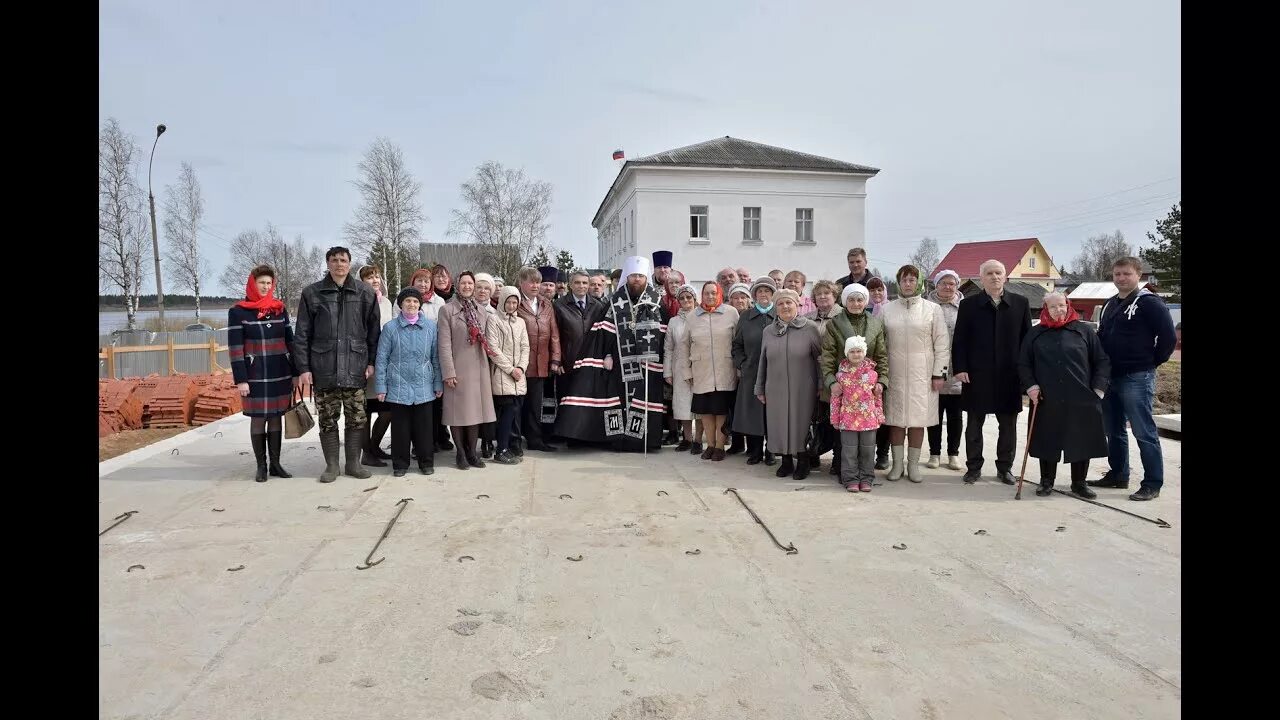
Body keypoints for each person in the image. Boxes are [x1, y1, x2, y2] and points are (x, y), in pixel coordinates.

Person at [553, 256, 666, 452]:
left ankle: (643, 440)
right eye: (632, 276)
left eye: (640, 276)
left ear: (646, 278)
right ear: (626, 278)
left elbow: (664, 333)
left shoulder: (656, 303)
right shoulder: (615, 302)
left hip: (647, 364)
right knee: (618, 401)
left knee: (643, 400)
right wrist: (606, 355)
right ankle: (619, 439)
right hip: (619, 364)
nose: (636, 280)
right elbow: (602, 332)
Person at [1087, 256, 1177, 501]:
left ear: (1139, 275)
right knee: (1113, 430)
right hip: (1109, 378)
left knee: (1143, 431)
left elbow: (1168, 339)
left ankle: (1152, 483)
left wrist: (1150, 363)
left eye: (1126, 274)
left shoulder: (1150, 303)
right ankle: (1118, 475)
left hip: (1137, 377)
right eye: (1117, 274)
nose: (1121, 278)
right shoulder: (1109, 304)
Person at [293, 246, 382, 483]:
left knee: (357, 418)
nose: (339, 264)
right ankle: (332, 465)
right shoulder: (312, 293)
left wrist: (372, 361)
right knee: (328, 418)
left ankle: (353, 463)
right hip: (324, 367)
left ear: (350, 263)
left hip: (355, 365)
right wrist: (303, 368)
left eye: (343, 260)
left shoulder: (364, 292)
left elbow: (374, 332)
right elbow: (301, 333)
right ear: (328, 263)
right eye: (334, 260)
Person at [1019, 293, 1110, 498]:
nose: (1058, 310)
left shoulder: (1084, 331)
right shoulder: (1035, 333)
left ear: (1068, 306)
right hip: (1046, 397)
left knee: (1081, 439)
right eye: (1053, 307)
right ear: (1045, 309)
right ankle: (1046, 481)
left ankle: (1079, 483)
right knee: (1047, 439)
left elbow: (1102, 361)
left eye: (1062, 305)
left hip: (1081, 396)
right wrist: (1031, 386)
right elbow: (1024, 364)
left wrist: (1098, 389)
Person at [952, 259, 1032, 485]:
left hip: (1009, 375)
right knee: (974, 424)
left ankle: (1005, 468)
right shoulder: (969, 305)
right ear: (981, 278)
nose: (995, 277)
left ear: (1005, 276)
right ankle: (973, 468)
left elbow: (1028, 341)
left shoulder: (1020, 303)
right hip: (977, 374)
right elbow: (960, 340)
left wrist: (1026, 374)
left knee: (1008, 425)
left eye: (998, 273)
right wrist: (960, 368)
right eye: (989, 273)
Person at [229, 264, 299, 482]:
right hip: (255, 374)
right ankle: (261, 466)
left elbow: (290, 341)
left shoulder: (279, 308)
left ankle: (276, 464)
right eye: (261, 283)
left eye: (269, 283)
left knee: (277, 416)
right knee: (259, 419)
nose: (265, 287)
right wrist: (241, 379)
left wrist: (295, 372)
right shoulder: (238, 311)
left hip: (280, 372)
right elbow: (235, 348)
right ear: (252, 283)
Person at [880, 265, 949, 483]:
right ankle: (897, 464)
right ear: (898, 283)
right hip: (895, 371)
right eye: (904, 280)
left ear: (918, 282)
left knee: (919, 419)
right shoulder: (887, 310)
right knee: (896, 419)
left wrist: (939, 374)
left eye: (912, 279)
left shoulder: (932, 309)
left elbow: (942, 343)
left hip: (923, 373)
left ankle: (913, 465)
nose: (908, 283)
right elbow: (879, 343)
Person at [819, 283, 888, 480]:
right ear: (845, 301)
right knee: (845, 435)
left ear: (865, 301)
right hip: (844, 387)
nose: (856, 303)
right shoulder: (834, 324)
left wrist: (882, 380)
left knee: (867, 436)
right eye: (851, 299)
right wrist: (832, 382)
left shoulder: (875, 324)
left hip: (868, 388)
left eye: (859, 300)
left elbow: (882, 355)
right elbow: (828, 357)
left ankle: (866, 474)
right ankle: (846, 473)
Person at [373, 287, 442, 477]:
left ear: (420, 305)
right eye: (407, 301)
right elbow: (381, 359)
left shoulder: (430, 327)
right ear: (401, 304)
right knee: (400, 429)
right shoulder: (390, 328)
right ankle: (400, 464)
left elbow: (435, 358)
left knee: (424, 429)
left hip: (424, 385)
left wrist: (438, 384)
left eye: (415, 301)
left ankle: (426, 462)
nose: (411, 304)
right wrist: (381, 386)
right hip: (398, 386)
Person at [755, 289, 822, 479]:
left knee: (800, 424)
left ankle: (803, 461)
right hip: (774, 387)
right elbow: (763, 361)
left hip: (803, 387)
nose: (785, 306)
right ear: (775, 307)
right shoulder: (768, 331)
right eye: (781, 304)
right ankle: (785, 461)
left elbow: (820, 359)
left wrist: (820, 385)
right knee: (778, 424)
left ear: (797, 305)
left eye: (789, 303)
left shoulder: (809, 328)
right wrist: (759, 387)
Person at [437, 271, 498, 470]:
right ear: (457, 285)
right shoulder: (447, 310)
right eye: (463, 283)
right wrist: (449, 372)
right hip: (458, 368)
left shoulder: (481, 310)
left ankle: (472, 451)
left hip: (478, 368)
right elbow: (444, 344)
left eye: (470, 283)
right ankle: (460, 453)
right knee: (457, 414)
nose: (467, 287)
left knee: (475, 413)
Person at [686, 281, 739, 460]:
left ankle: (719, 446)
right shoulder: (693, 316)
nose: (710, 296)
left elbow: (737, 342)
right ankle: (709, 444)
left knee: (721, 411)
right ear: (702, 295)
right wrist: (687, 372)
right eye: (707, 293)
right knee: (706, 411)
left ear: (720, 294)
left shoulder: (731, 313)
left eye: (713, 293)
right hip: (702, 370)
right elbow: (685, 346)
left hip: (725, 370)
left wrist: (738, 369)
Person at [515, 266, 563, 452]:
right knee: (517, 405)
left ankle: (535, 440)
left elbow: (554, 333)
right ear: (521, 283)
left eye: (538, 282)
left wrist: (556, 359)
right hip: (520, 363)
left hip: (541, 362)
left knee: (536, 404)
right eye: (531, 281)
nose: (535, 285)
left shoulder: (545, 304)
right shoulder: (516, 302)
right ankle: (515, 440)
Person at [830, 336, 885, 492]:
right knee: (849, 451)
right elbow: (835, 399)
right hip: (848, 420)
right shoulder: (840, 376)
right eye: (852, 351)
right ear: (847, 354)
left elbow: (878, 397)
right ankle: (850, 479)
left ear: (864, 352)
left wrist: (879, 415)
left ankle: (867, 478)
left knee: (867, 450)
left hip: (869, 420)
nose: (856, 354)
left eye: (859, 351)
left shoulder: (873, 375)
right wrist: (835, 418)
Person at [732, 277, 777, 465]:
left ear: (773, 294)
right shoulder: (746, 316)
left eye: (767, 291)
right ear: (755, 295)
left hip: (776, 373)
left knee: (772, 412)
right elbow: (737, 345)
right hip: (751, 372)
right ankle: (755, 450)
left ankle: (771, 450)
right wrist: (742, 363)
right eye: (760, 291)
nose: (763, 294)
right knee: (753, 413)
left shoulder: (779, 313)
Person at [925, 269, 965, 471]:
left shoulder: (964, 307)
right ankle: (934, 453)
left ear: (957, 285)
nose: (948, 287)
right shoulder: (928, 307)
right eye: (944, 283)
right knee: (935, 415)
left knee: (955, 415)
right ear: (936, 285)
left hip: (957, 369)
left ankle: (953, 454)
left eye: (952, 283)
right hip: (934, 368)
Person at [358, 265, 396, 467]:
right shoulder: (357, 302)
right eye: (369, 277)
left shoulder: (387, 303)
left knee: (387, 410)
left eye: (377, 277)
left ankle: (374, 446)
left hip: (384, 363)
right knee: (364, 410)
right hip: (364, 362)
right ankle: (367, 452)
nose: (374, 280)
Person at [487, 285, 530, 465]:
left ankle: (511, 446)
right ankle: (501, 449)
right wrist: (510, 369)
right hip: (503, 374)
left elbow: (525, 346)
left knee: (515, 412)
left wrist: (520, 367)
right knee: (506, 412)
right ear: (502, 301)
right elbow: (492, 348)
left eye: (515, 302)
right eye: (509, 302)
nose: (511, 306)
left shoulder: (520, 322)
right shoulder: (494, 320)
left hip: (518, 375)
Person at [409, 267, 451, 452]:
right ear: (413, 282)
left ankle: (435, 439)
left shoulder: (439, 301)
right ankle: (417, 444)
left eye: (426, 281)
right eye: (420, 281)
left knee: (435, 402)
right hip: (411, 358)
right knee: (415, 404)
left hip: (433, 356)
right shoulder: (405, 299)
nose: (423, 284)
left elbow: (443, 329)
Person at [804, 279, 840, 470]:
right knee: (813, 417)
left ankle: (837, 457)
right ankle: (813, 451)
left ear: (834, 296)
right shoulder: (807, 318)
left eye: (827, 293)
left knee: (833, 418)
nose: (823, 296)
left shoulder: (842, 316)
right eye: (819, 294)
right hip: (811, 374)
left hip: (833, 374)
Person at [663, 284, 699, 451]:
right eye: (682, 298)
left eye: (689, 298)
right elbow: (668, 348)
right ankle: (687, 438)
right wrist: (667, 371)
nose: (686, 301)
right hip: (679, 366)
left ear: (695, 299)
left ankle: (698, 440)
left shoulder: (702, 317)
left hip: (700, 366)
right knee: (683, 403)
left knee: (700, 403)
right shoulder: (673, 321)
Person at [473, 273, 500, 459]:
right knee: (473, 404)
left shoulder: (495, 313)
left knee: (490, 405)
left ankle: (488, 441)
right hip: (471, 363)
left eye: (486, 288)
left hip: (490, 364)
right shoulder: (466, 310)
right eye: (479, 287)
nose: (482, 291)